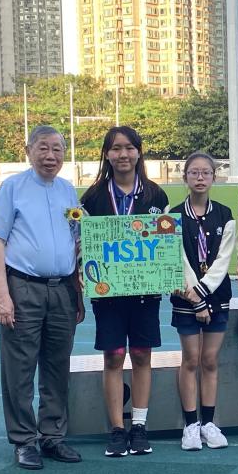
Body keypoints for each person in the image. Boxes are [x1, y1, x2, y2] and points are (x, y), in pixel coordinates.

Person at [0, 125, 84, 470]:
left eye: (57, 149)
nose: (50, 156)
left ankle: (53, 436)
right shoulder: (13, 187)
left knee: (58, 366)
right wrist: (2, 295)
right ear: (28, 151)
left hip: (62, 289)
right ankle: (24, 441)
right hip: (23, 287)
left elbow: (78, 239)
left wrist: (78, 289)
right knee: (20, 368)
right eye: (43, 148)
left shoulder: (68, 190)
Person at [80, 126, 169, 457]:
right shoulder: (92, 198)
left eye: (129, 148)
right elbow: (84, 246)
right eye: (116, 148)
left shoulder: (156, 196)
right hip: (109, 293)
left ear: (139, 152)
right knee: (114, 356)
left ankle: (140, 426)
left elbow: (164, 245)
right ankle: (117, 429)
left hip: (145, 291)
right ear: (107, 154)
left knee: (143, 355)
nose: (123, 154)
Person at [171, 152, 236, 451]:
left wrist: (205, 294)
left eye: (205, 173)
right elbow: (179, 260)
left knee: (209, 361)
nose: (199, 178)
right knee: (190, 360)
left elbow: (224, 261)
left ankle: (209, 422)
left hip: (216, 297)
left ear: (214, 178)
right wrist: (194, 298)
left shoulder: (225, 214)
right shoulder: (172, 215)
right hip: (185, 298)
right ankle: (190, 425)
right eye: (194, 173)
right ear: (184, 178)